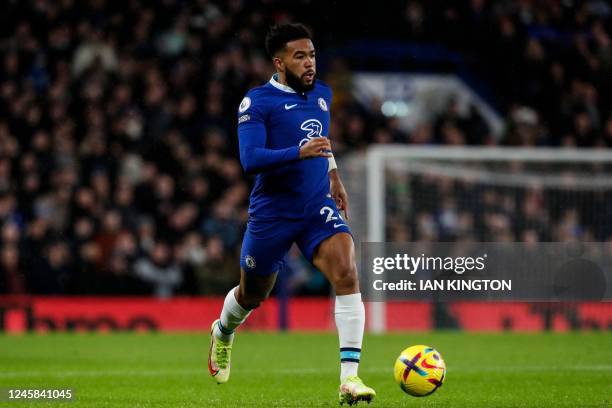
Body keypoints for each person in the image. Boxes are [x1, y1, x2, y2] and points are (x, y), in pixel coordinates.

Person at [207, 23, 376, 405]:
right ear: (279, 62)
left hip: (316, 205)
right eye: (300, 56)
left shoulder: (322, 94)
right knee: (252, 295)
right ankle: (223, 331)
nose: (309, 63)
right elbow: (250, 160)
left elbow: (321, 138)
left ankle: (349, 379)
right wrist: (297, 154)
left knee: (347, 272)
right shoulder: (257, 102)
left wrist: (334, 174)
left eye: (312, 54)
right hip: (272, 212)